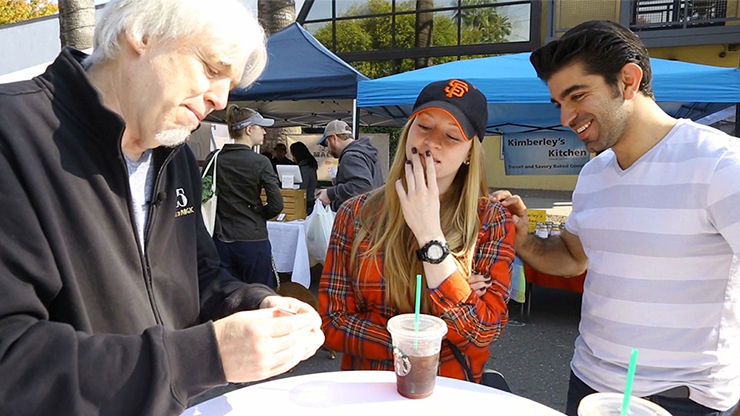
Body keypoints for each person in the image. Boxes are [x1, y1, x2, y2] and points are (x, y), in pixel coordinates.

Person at [0, 1, 324, 415]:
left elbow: (197, 272)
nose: (221, 100)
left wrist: (255, 303)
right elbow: (12, 357)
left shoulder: (174, 155)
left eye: (230, 84)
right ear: (142, 33)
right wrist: (203, 356)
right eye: (212, 68)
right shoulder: (13, 133)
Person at [495, 20, 740, 416]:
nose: (566, 117)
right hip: (590, 385)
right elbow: (573, 257)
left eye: (577, 96)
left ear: (628, 80)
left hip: (682, 400)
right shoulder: (594, 173)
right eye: (559, 103)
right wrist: (523, 239)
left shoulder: (721, 163)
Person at [319, 79, 516, 383]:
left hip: (449, 392)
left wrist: (430, 236)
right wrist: (428, 336)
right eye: (424, 126)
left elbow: (482, 331)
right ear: (408, 130)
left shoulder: (490, 219)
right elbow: (332, 322)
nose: (432, 142)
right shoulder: (355, 213)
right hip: (366, 389)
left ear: (469, 153)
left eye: (452, 136)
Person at [204, 105, 284, 289]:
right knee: (260, 294)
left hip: (220, 237)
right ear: (249, 129)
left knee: (226, 293)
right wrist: (258, 214)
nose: (264, 132)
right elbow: (276, 204)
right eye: (261, 127)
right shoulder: (261, 161)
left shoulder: (214, 158)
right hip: (252, 237)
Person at [316, 119, 384, 211]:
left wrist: (330, 193)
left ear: (334, 138)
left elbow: (362, 186)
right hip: (373, 213)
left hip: (360, 216)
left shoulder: (351, 156)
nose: (328, 149)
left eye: (327, 143)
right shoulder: (364, 152)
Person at [290, 141, 319, 215]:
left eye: (293, 155)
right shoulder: (309, 166)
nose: (292, 158)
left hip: (305, 204)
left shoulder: (305, 168)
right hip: (308, 202)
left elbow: (302, 187)